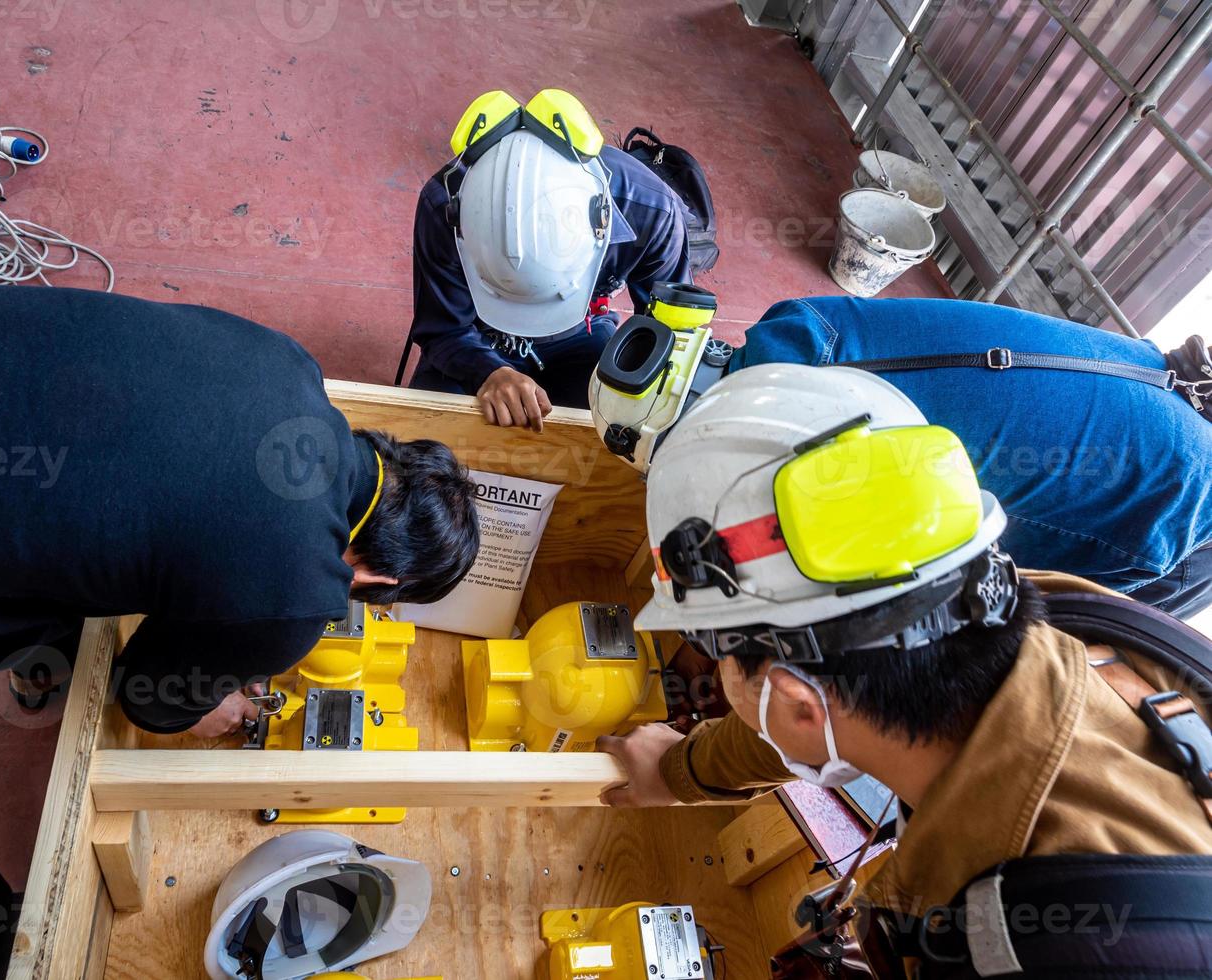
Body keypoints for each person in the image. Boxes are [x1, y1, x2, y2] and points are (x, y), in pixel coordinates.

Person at [0, 280, 480, 978]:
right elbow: (148, 699)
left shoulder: (288, 364)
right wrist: (209, 696)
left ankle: (36, 661)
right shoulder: (293, 590)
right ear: (381, 581)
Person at [598, 364, 1212, 976]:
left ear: (797, 702)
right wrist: (679, 770)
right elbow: (820, 695)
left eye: (718, 654)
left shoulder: (1040, 946)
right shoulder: (1061, 616)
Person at [593, 295, 1212, 615]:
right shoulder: (798, 325)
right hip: (1162, 397)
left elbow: (869, 588)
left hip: (1156, 509)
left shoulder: (816, 455)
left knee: (1011, 620)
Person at [405, 88, 691, 430]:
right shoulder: (445, 205)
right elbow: (443, 329)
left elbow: (672, 337)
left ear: (599, 224)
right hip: (478, 335)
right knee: (427, 441)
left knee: (617, 434)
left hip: (581, 332)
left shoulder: (652, 211)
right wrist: (489, 372)